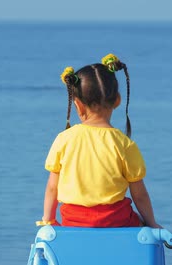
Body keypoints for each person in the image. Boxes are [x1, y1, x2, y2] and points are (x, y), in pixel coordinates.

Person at [37, 53, 163, 229]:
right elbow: (139, 194)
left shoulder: (64, 139)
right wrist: (152, 224)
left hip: (74, 222)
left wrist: (48, 221)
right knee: (141, 228)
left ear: (78, 104)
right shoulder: (124, 144)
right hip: (116, 221)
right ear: (117, 101)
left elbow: (52, 187)